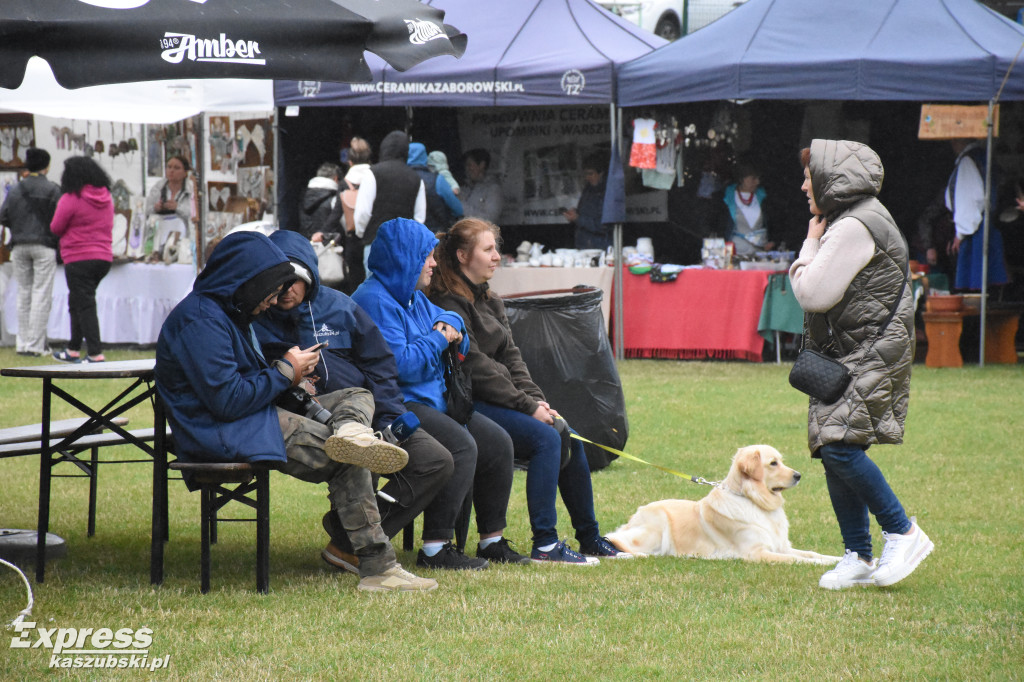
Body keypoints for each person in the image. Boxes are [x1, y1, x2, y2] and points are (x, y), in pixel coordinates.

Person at [155, 230, 436, 592]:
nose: (273, 302)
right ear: (248, 282)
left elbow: (239, 387)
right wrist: (286, 371)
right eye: (270, 293)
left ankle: (352, 428)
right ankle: (378, 569)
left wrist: (290, 381)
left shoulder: (220, 312)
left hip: (249, 417)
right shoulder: (202, 322)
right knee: (348, 456)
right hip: (223, 431)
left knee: (355, 395)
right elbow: (227, 401)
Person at [253, 229, 465, 571]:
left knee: (436, 459)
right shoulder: (256, 317)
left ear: (310, 275)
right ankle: (360, 546)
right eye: (278, 282)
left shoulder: (340, 307)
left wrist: (389, 418)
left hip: (370, 413)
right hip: (303, 422)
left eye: (294, 280)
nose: (285, 290)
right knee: (353, 455)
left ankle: (346, 540)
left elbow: (381, 364)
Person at [428, 217, 632, 565]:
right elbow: (476, 368)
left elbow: (512, 356)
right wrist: (526, 406)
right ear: (463, 255)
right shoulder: (449, 302)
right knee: (547, 438)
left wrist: (537, 400)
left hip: (503, 400)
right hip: (467, 403)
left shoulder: (489, 298)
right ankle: (546, 545)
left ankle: (590, 538)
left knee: (570, 435)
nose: (496, 256)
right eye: (488, 249)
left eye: (496, 248)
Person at [789, 139, 933, 590]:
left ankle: (903, 532)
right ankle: (857, 554)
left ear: (832, 179)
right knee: (834, 445)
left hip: (869, 351)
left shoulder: (855, 225)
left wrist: (807, 249)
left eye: (809, 178)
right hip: (854, 350)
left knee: (839, 446)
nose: (802, 186)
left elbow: (812, 293)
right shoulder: (855, 217)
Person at [352, 218, 529, 569]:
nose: (434, 263)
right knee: (462, 446)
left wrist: (449, 326)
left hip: (434, 400)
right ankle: (435, 548)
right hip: (397, 404)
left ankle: (491, 540)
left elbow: (451, 316)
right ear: (404, 260)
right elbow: (401, 366)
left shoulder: (412, 295)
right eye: (426, 257)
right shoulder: (374, 300)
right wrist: (438, 337)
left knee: (498, 444)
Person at [50, 156, 114, 364]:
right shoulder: (106, 197)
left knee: (84, 303)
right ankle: (73, 348)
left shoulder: (71, 198)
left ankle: (95, 352)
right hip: (103, 257)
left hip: (78, 257)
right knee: (76, 300)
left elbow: (56, 227)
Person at [0, 147, 61, 357]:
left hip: (18, 244)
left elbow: (3, 215)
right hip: (44, 245)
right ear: (47, 166)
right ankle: (36, 344)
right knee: (41, 293)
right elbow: (59, 218)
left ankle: (22, 342)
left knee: (23, 293)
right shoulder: (53, 189)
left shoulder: (15, 189)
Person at [352, 131, 425, 270]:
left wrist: (363, 234)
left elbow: (363, 212)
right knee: (400, 290)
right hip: (404, 247)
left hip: (376, 242)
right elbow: (419, 218)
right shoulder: (416, 178)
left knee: (375, 289)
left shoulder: (372, 173)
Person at [945, 139, 1009, 291]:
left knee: (976, 283)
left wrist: (960, 234)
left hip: (975, 231)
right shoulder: (983, 157)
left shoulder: (969, 160)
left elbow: (969, 199)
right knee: (988, 281)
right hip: (985, 225)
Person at [144, 154, 195, 258]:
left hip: (182, 235)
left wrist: (178, 207)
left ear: (185, 173)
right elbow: (145, 211)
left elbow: (195, 215)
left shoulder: (191, 190)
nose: (171, 171)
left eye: (177, 168)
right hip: (159, 232)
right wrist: (155, 208)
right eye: (169, 167)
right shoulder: (158, 188)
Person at [722, 159, 775, 256]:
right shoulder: (725, 199)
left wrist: (773, 241)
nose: (757, 182)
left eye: (758, 178)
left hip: (761, 255)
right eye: (753, 178)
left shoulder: (765, 198)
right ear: (742, 179)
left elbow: (774, 224)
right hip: (735, 255)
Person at [339, 137, 371, 293]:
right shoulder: (375, 177)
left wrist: (322, 230)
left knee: (355, 283)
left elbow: (337, 211)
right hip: (373, 236)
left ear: (350, 161)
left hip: (352, 238)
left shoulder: (345, 182)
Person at [407, 142, 462, 231]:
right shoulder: (438, 180)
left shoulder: (399, 180)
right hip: (436, 236)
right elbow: (458, 209)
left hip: (410, 236)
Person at [563, 152, 610, 251]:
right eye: (586, 174)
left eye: (591, 174)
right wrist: (574, 214)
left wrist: (578, 218)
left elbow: (605, 226)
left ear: (601, 173)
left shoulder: (608, 193)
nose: (587, 177)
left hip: (599, 247)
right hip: (584, 244)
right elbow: (585, 214)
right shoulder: (588, 190)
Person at [296, 161, 345, 242]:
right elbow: (345, 225)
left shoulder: (303, 196)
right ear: (336, 178)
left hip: (306, 246)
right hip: (328, 248)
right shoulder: (335, 199)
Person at [460, 148, 503, 224]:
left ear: (481, 165)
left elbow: (490, 220)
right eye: (466, 166)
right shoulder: (464, 189)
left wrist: (461, 205)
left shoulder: (493, 189)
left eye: (470, 165)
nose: (467, 169)